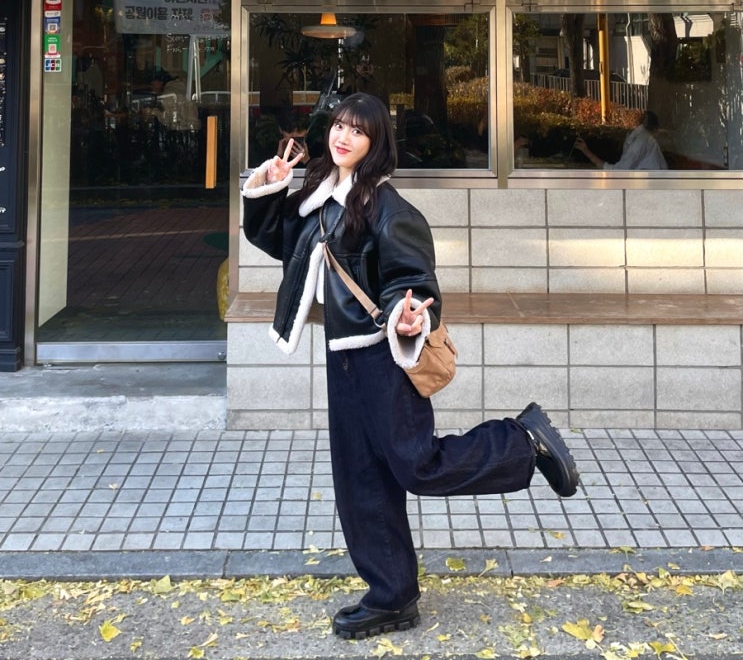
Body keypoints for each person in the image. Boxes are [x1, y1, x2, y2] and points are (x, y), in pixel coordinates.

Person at [241, 93, 579, 641]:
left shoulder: (388, 209)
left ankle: (523, 441)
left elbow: (413, 282)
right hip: (343, 356)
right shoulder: (321, 195)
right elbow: (283, 243)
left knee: (417, 465)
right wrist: (271, 187)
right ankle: (391, 597)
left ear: (376, 143)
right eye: (339, 126)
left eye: (358, 131)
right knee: (359, 478)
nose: (343, 137)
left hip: (382, 358)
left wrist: (408, 316)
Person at [574, 110, 667, 170]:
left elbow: (618, 171)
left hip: (651, 188)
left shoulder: (640, 141)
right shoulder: (636, 137)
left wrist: (587, 152)